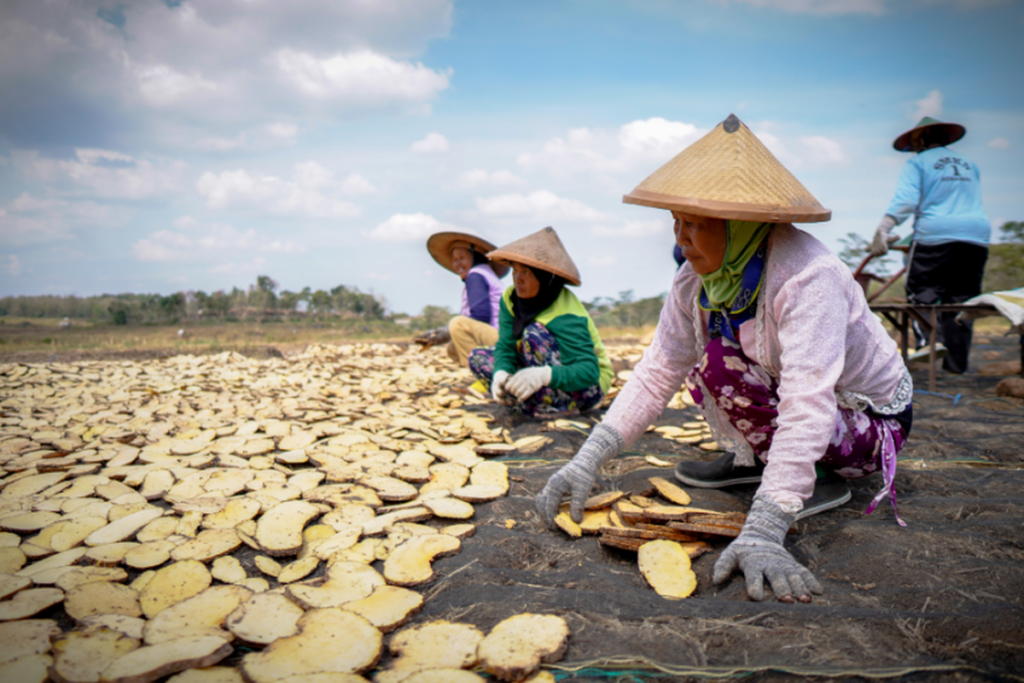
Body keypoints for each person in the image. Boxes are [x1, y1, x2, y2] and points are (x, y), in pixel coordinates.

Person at [537, 114, 913, 604]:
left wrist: (766, 525)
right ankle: (759, 460)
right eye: (676, 222)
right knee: (703, 359)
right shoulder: (695, 280)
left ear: (741, 225)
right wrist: (586, 459)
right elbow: (658, 370)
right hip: (811, 408)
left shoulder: (806, 277)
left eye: (692, 224)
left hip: (866, 423)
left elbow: (807, 398)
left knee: (721, 365)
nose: (680, 239)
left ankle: (814, 481)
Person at [870, 116, 992, 374]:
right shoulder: (970, 164)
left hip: (935, 234)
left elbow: (906, 200)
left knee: (922, 291)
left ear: (922, 139)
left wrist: (885, 228)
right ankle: (956, 367)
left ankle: (928, 343)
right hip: (976, 236)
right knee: (961, 302)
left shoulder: (918, 163)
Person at [467, 226, 614, 418]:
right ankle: (530, 403)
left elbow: (588, 371)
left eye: (526, 272)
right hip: (541, 373)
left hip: (586, 388)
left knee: (533, 334)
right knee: (479, 357)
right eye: (515, 270)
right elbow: (506, 345)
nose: (517, 279)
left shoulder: (566, 313)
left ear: (544, 277)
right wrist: (501, 373)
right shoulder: (510, 298)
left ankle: (560, 407)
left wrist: (543, 375)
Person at [416, 232, 508, 366]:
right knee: (453, 349)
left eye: (462, 257)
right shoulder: (484, 273)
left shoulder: (476, 275)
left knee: (458, 324)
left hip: (501, 338)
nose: (458, 263)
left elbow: (481, 316)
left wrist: (446, 332)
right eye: (455, 259)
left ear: (475, 257)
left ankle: (483, 375)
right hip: (501, 337)